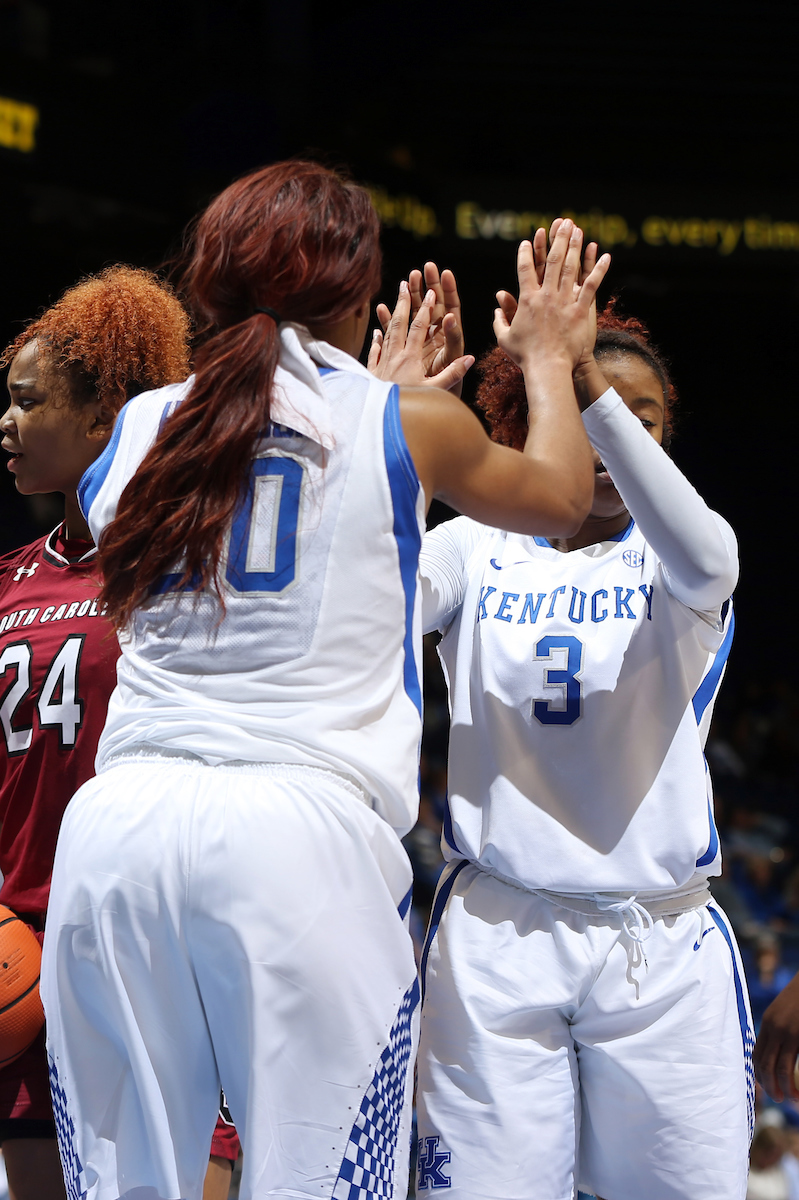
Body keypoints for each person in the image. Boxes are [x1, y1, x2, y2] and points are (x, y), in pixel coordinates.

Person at [39, 162, 607, 1200]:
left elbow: (264, 473)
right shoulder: (406, 426)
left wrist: (374, 401)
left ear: (206, 282)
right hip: (297, 839)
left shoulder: (130, 433)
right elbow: (565, 498)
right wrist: (550, 359)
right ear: (355, 291)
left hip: (115, 833)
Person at [414, 277, 751, 1200]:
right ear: (531, 423)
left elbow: (713, 557)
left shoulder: (678, 556)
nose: (617, 440)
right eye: (590, 411)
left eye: (642, 420)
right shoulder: (473, 545)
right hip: (497, 932)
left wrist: (576, 378)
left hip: (660, 941)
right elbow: (372, 595)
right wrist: (389, 427)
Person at [0, 267, 240, 1200]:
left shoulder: (183, 570)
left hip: (153, 936)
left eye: (27, 402)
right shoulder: (10, 579)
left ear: (106, 418)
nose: (6, 424)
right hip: (23, 933)